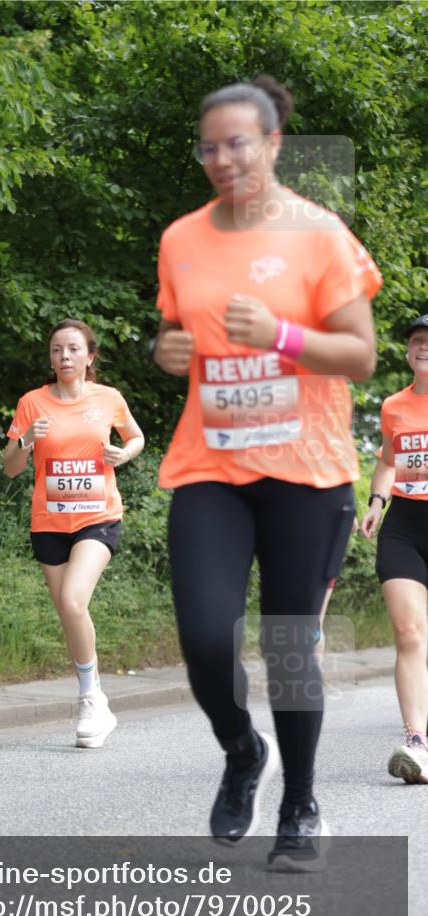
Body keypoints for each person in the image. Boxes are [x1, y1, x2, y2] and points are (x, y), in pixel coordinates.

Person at [153, 75, 382, 870]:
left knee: (289, 648)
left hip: (306, 471)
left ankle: (300, 805)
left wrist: (284, 333)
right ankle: (241, 749)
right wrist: (164, 350)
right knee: (205, 636)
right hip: (209, 463)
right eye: (208, 146)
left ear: (273, 143)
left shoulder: (318, 235)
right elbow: (173, 332)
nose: (220, 158)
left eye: (236, 143)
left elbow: (359, 354)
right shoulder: (180, 237)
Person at [4, 319, 144, 748]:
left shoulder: (109, 399)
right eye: (56, 350)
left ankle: (88, 699)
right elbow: (10, 467)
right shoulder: (32, 402)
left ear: (89, 356)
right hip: (49, 523)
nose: (64, 357)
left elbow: (136, 437)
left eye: (72, 349)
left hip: (97, 517)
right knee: (69, 614)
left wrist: (123, 454)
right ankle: (98, 697)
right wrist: (25, 439)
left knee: (72, 599)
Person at [360, 313, 428, 784]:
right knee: (409, 633)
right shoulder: (394, 406)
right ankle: (416, 741)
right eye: (417, 340)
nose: (423, 346)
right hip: (404, 524)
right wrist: (377, 501)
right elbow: (389, 461)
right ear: (407, 352)